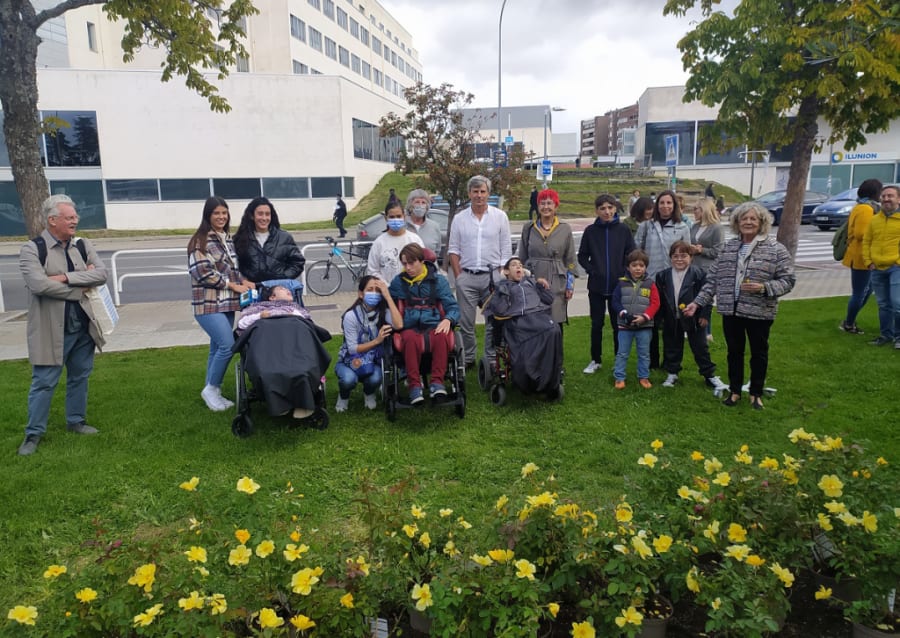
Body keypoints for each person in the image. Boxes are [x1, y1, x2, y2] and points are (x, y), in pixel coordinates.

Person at [17, 194, 109, 456]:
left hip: (83, 326)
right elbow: (39, 285)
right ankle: (33, 434)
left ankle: (76, 421)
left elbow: (101, 274)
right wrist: (79, 286)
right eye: (69, 217)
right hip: (50, 328)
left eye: (75, 216)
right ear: (52, 220)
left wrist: (65, 278)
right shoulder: (32, 249)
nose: (75, 221)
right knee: (44, 382)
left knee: (80, 376)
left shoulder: (82, 244)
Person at [684, 202, 796, 410]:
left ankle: (755, 393)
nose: (748, 222)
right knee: (734, 352)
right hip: (731, 310)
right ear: (737, 222)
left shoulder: (775, 249)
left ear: (762, 222)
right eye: (744, 218)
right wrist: (697, 303)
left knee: (758, 353)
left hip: (759, 311)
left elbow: (788, 280)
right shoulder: (728, 248)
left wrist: (764, 287)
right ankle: (735, 391)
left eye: (753, 218)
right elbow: (713, 280)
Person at [188, 196, 254, 412]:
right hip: (207, 304)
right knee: (227, 345)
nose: (221, 216)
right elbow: (202, 273)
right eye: (216, 213)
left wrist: (243, 280)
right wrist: (233, 285)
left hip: (226, 303)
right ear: (208, 215)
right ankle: (211, 389)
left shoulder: (226, 238)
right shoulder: (200, 241)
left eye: (224, 213)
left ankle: (212, 390)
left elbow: (232, 268)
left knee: (216, 347)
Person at [448, 175, 512, 367]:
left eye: (482, 191)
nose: (479, 195)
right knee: (466, 323)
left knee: (493, 321)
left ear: (488, 194)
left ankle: (490, 359)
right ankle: (468, 358)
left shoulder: (500, 217)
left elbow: (506, 249)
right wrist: (459, 277)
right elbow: (453, 250)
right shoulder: (459, 219)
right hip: (467, 277)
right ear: (469, 193)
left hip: (492, 277)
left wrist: (501, 274)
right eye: (475, 191)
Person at [389, 243, 460, 404]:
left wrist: (448, 319)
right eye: (404, 264)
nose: (408, 267)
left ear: (421, 261)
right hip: (410, 326)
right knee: (409, 339)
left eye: (411, 263)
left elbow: (453, 306)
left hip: (434, 324)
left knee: (441, 336)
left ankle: (437, 383)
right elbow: (386, 301)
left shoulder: (438, 281)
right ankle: (414, 386)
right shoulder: (398, 282)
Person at [483, 257, 562, 397]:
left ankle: (550, 378)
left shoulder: (531, 283)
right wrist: (502, 292)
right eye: (514, 265)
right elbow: (499, 311)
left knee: (554, 330)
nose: (518, 267)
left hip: (538, 317)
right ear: (506, 271)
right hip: (518, 322)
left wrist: (541, 285)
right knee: (530, 339)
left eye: (520, 265)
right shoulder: (503, 287)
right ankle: (530, 380)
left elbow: (549, 300)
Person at [655, 241, 726, 390]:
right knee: (672, 346)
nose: (679, 259)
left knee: (700, 347)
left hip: (694, 318)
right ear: (670, 258)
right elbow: (660, 299)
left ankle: (709, 375)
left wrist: (705, 315)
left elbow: (707, 296)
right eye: (675, 256)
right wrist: (659, 319)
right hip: (672, 318)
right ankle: (672, 373)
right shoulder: (662, 276)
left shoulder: (699, 274)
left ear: (691, 257)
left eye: (683, 256)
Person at [577, 194, 636, 374]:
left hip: (618, 287)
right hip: (596, 286)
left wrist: (624, 273)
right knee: (597, 324)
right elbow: (582, 256)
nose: (607, 211)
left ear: (615, 208)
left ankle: (619, 360)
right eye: (602, 208)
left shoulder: (623, 230)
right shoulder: (590, 231)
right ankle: (596, 360)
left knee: (617, 325)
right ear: (597, 211)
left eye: (610, 207)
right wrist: (592, 270)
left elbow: (631, 254)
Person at [634, 190, 691, 369]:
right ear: (656, 205)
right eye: (662, 203)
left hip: (673, 281)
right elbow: (637, 251)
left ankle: (671, 361)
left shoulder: (682, 227)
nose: (665, 206)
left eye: (669, 203)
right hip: (651, 281)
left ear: (674, 205)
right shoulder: (646, 226)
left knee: (672, 324)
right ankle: (652, 361)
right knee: (651, 322)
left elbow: (687, 255)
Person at [335, 276, 402, 412]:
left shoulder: (383, 313)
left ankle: (369, 392)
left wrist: (388, 297)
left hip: (373, 361)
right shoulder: (351, 316)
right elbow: (353, 349)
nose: (374, 293)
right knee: (348, 380)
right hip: (350, 360)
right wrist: (377, 341)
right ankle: (343, 396)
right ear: (361, 294)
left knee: (376, 378)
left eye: (378, 290)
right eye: (370, 290)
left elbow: (399, 325)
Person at [517, 188, 576, 329]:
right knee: (534, 321)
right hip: (533, 279)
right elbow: (522, 258)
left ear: (556, 206)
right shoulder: (529, 228)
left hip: (557, 281)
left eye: (549, 203)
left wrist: (570, 285)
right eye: (542, 203)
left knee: (555, 322)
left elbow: (570, 259)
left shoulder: (565, 229)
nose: (546, 207)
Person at [611, 249, 660, 390]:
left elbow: (655, 303)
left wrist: (645, 317)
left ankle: (643, 376)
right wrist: (624, 314)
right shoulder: (621, 283)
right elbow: (615, 301)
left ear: (646, 267)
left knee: (644, 353)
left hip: (644, 326)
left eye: (641, 265)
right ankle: (619, 377)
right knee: (622, 353)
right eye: (634, 265)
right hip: (624, 326)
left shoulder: (650, 284)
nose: (638, 268)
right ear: (628, 267)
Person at [839, 179, 882, 334]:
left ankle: (850, 320)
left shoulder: (863, 206)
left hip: (862, 255)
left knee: (867, 290)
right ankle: (849, 323)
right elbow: (861, 233)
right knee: (860, 292)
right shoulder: (865, 209)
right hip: (861, 256)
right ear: (875, 192)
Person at [233, 197, 305, 286]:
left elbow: (298, 263)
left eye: (267, 214)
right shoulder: (240, 239)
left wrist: (283, 278)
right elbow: (235, 266)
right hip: (251, 290)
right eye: (260, 214)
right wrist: (244, 280)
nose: (264, 218)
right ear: (252, 216)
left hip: (279, 290)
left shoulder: (284, 237)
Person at [861, 184, 900, 348]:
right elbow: (866, 241)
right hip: (877, 268)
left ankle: (899, 337)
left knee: (897, 303)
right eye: (883, 196)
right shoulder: (875, 219)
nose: (886, 199)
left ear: (898, 199)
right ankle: (886, 335)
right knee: (883, 304)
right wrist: (868, 262)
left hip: (896, 267)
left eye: (890, 196)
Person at [367, 201, 424, 284]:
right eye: (392, 217)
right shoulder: (379, 243)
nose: (395, 220)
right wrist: (387, 287)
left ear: (404, 217)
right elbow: (373, 270)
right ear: (386, 218)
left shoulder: (415, 239)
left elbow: (423, 265)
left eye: (398, 216)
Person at [236, 284, 310, 332]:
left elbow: (307, 322)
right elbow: (242, 324)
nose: (287, 290)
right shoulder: (260, 308)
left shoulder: (295, 309)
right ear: (272, 297)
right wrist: (259, 316)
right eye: (282, 288)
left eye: (287, 289)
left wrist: (294, 315)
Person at [405, 189, 443, 259]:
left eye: (423, 202)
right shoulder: (403, 226)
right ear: (410, 205)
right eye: (417, 202)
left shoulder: (434, 226)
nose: (420, 205)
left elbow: (437, 251)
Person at [689, 197, 724, 273]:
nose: (693, 212)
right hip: (693, 269)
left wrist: (702, 250)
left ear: (704, 209)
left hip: (708, 271)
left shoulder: (717, 228)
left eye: (695, 209)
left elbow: (719, 252)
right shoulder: (694, 226)